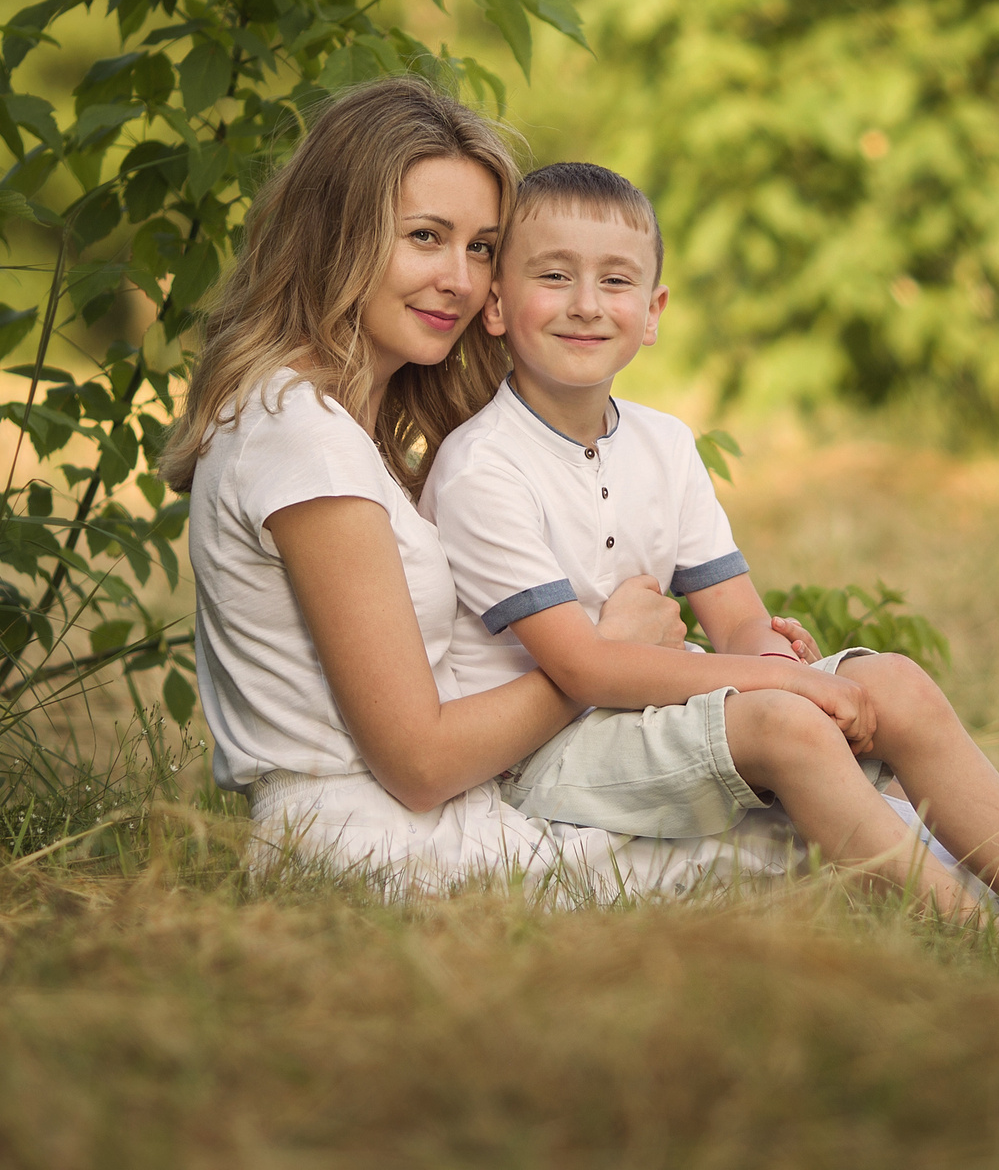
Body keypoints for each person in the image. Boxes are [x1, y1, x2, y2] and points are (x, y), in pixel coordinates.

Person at [425, 161, 999, 919]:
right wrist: (789, 684)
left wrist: (767, 653)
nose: (585, 305)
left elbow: (735, 615)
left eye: (615, 281)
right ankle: (974, 934)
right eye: (554, 276)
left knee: (892, 680)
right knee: (785, 719)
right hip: (551, 756)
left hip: (653, 719)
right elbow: (587, 669)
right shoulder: (485, 468)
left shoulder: (665, 444)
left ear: (653, 310)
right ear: (498, 305)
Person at [160, 76, 800, 898]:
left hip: (439, 820)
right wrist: (608, 652)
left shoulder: (332, 423)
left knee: (805, 802)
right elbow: (420, 762)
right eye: (425, 236)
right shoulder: (301, 438)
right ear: (335, 237)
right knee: (794, 843)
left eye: (482, 248)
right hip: (372, 845)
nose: (461, 281)